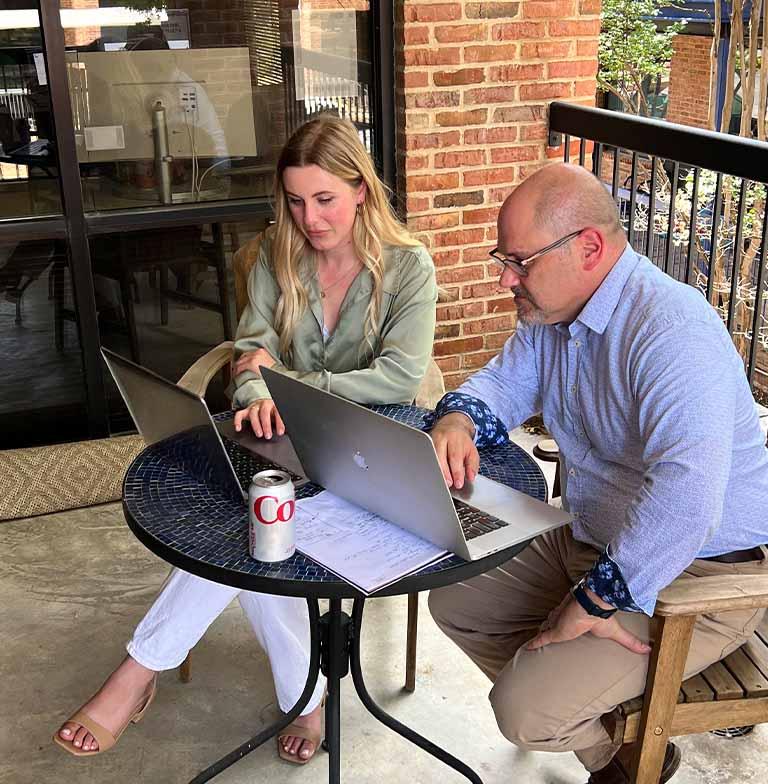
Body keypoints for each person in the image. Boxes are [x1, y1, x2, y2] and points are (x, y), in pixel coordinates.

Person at [54, 114, 438, 764]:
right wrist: (259, 394)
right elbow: (251, 353)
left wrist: (287, 385)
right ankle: (305, 699)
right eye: (296, 200)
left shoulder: (407, 269)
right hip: (288, 452)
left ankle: (138, 674)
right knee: (259, 527)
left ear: (361, 191)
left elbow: (400, 376)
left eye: (325, 199)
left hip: (370, 458)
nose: (310, 218)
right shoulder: (275, 256)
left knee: (258, 534)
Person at [425, 162, 768, 784]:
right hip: (589, 532)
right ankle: (616, 746)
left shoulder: (671, 330)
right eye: (504, 259)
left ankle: (608, 749)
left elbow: (688, 505)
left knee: (524, 711)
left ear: (589, 248)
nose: (507, 278)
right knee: (456, 599)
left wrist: (595, 599)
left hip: (696, 569)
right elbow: (504, 383)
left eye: (520, 262)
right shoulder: (552, 315)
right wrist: (457, 419)